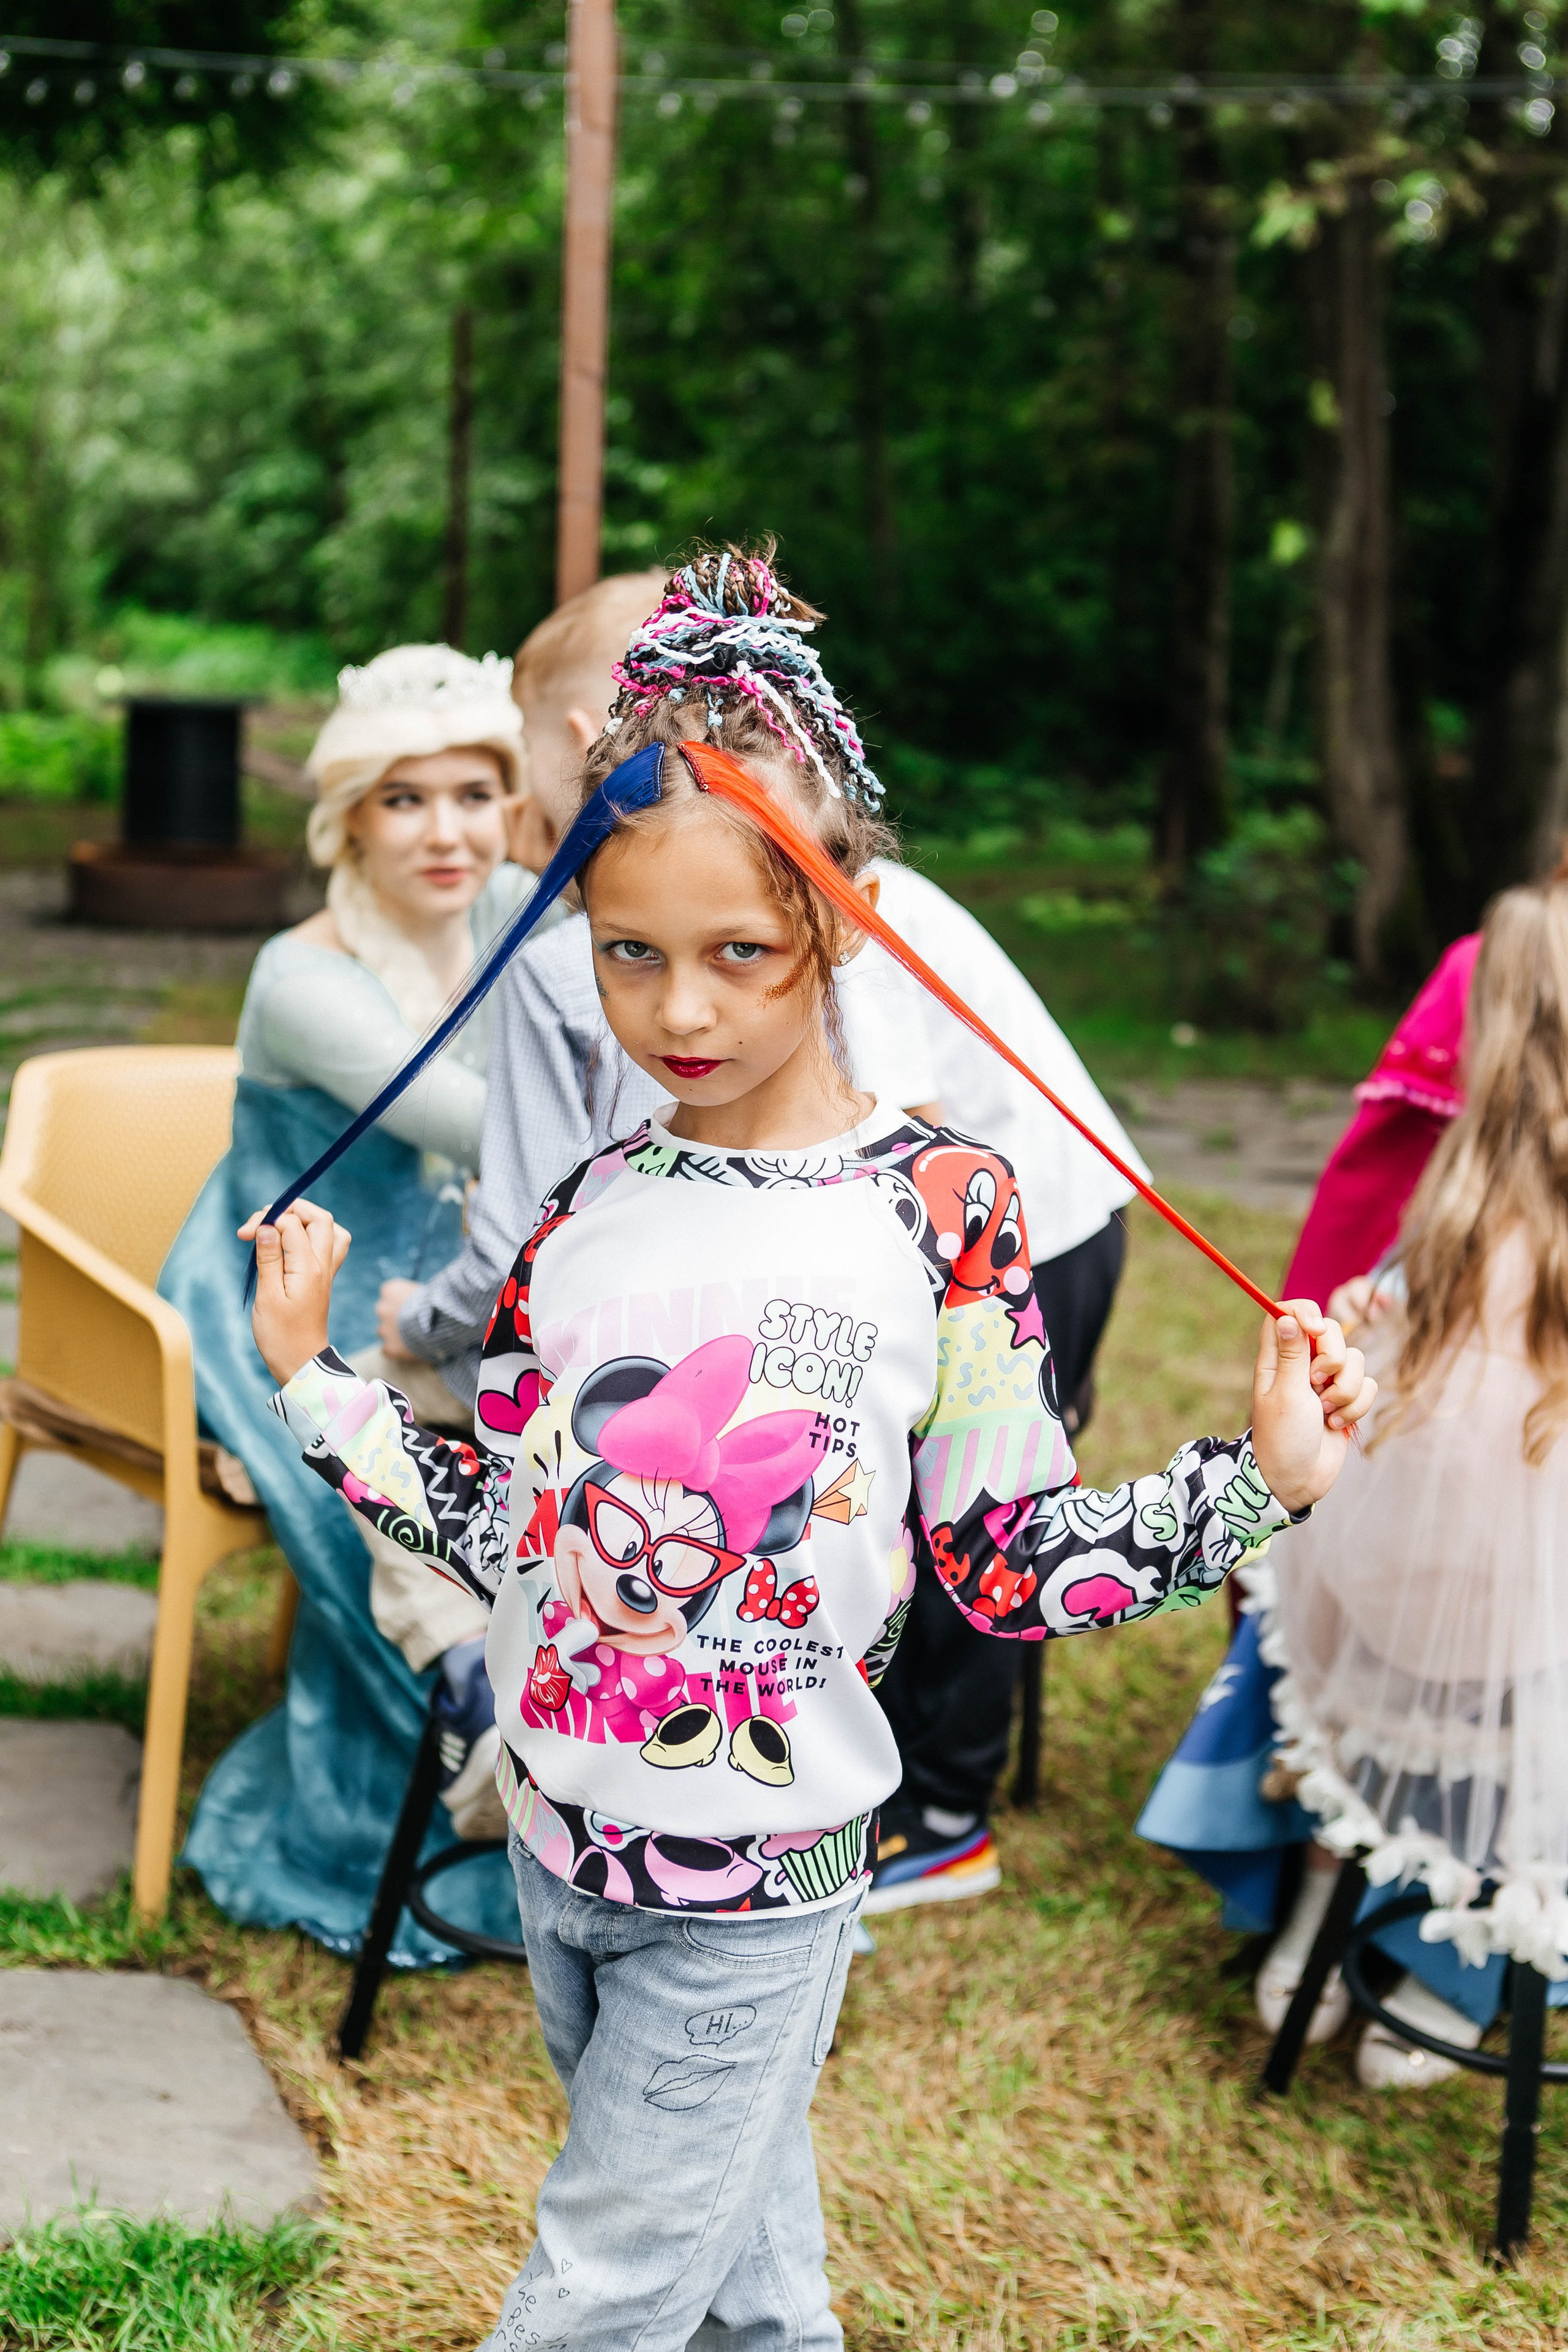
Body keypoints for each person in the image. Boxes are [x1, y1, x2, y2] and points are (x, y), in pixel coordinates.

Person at [243, 550, 1374, 2346]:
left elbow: (1006, 1561)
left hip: (759, 1884)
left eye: (736, 955)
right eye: (630, 955)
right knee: (745, 2279)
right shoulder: (587, 1210)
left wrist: (1262, 1486)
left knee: (601, 2285)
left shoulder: (942, 1210)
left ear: (841, 922)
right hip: (560, 1848)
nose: (678, 1014)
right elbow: (504, 1529)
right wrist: (315, 1387)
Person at [382, 574, 1147, 1915]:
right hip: (921, 1236)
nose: (518, 823)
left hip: (1033, 1211)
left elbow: (889, 1127)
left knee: (950, 1503)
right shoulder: (663, 898)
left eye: (523, 770)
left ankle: (941, 1803)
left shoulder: (792, 883)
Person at [1139, 880, 1568, 2086]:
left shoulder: (1461, 1191)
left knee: (1434, 1673)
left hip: (1461, 1586)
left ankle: (1385, 1942)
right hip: (1461, 1586)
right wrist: (1379, 1326)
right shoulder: (1462, 1209)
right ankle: (1403, 1952)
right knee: (1452, 1676)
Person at [160, 643, 545, 1960]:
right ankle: (465, 1739)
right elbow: (490, 1120)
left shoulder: (511, 908)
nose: (446, 831)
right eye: (403, 799)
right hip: (290, 1290)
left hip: (450, 1286)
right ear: (346, 820)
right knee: (376, 1488)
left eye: (472, 795)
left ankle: (614, 1776)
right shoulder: (301, 974)